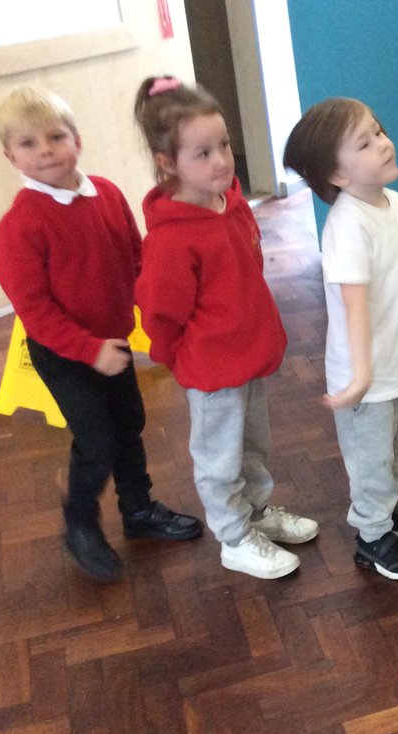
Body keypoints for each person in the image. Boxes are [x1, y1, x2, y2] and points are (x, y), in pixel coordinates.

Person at [0, 85, 203, 583]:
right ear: (10, 156)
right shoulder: (20, 226)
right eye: (28, 143)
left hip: (114, 343)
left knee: (128, 423)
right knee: (96, 439)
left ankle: (139, 510)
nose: (44, 149)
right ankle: (80, 524)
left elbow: (135, 261)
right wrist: (88, 351)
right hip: (64, 353)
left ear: (77, 140)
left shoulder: (106, 193)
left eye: (55, 136)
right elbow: (33, 309)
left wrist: (152, 317)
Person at [133, 76, 318, 579]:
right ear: (168, 163)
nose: (221, 161)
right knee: (219, 458)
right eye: (203, 153)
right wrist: (180, 358)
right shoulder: (172, 240)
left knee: (253, 445)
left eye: (224, 146)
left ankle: (256, 513)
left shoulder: (230, 204)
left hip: (248, 355)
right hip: (212, 369)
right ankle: (234, 538)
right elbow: (160, 315)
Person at [282, 97, 398, 580]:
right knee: (371, 461)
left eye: (379, 130)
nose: (384, 143)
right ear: (339, 175)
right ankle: (371, 538)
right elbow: (353, 306)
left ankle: (385, 514)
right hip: (364, 377)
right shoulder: (347, 225)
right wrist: (362, 376)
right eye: (365, 142)